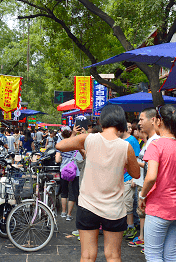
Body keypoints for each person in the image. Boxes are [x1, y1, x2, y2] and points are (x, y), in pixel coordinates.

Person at [56, 104, 140, 262]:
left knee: (87, 256)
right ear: (122, 122)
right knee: (113, 256)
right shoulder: (125, 146)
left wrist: (76, 135)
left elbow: (60, 145)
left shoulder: (89, 139)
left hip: (88, 206)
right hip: (115, 208)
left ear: (102, 121)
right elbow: (135, 173)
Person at [139, 105, 176, 262]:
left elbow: (151, 176)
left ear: (158, 121)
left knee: (153, 254)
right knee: (169, 253)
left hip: (160, 206)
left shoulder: (155, 145)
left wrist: (142, 195)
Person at [129, 108, 160, 249]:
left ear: (153, 120)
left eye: (141, 119)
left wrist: (142, 195)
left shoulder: (155, 142)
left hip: (150, 188)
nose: (139, 123)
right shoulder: (151, 141)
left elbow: (152, 173)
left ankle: (146, 241)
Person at [55, 126, 82, 221]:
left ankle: (63, 212)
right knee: (73, 193)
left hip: (64, 170)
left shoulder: (61, 145)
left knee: (64, 192)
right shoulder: (75, 143)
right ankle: (69, 215)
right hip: (74, 171)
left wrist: (62, 158)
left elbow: (57, 160)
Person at [121, 122, 141, 241]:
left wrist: (134, 177)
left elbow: (137, 159)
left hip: (128, 178)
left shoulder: (132, 140)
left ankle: (131, 227)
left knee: (128, 204)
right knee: (122, 204)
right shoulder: (117, 140)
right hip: (119, 178)